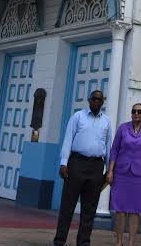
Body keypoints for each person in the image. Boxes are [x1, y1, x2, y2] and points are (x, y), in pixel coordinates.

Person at [54, 89, 112, 246]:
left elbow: (108, 146)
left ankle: (84, 242)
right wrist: (63, 163)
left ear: (102, 102)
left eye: (100, 100)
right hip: (76, 164)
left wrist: (109, 170)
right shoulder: (78, 117)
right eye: (94, 99)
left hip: (96, 167)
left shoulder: (106, 121)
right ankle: (59, 241)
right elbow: (68, 139)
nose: (96, 102)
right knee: (68, 206)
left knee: (90, 208)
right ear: (89, 100)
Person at [106, 102, 141, 246]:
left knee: (135, 210)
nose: (136, 114)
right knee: (120, 209)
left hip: (140, 175)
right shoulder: (123, 128)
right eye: (134, 111)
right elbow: (114, 150)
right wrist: (110, 170)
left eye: (139, 112)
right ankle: (119, 241)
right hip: (121, 173)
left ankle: (131, 243)